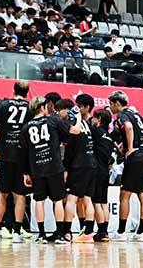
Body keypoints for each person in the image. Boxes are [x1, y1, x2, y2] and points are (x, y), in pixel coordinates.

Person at [21, 96, 82, 244]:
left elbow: (24, 152)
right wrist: (78, 118)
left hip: (37, 168)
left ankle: (41, 235)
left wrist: (26, 173)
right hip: (54, 167)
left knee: (39, 201)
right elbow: (75, 131)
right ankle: (60, 234)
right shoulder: (53, 121)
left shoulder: (26, 127)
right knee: (58, 200)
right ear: (42, 107)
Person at [0, 81, 31, 243]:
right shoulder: (29, 107)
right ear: (27, 93)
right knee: (20, 195)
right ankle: (17, 231)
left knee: (2, 193)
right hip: (22, 155)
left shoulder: (3, 104)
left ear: (14, 90)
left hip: (4, 154)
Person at [107, 90, 143, 241]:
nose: (110, 107)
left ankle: (120, 233)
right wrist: (125, 144)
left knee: (125, 195)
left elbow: (128, 127)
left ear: (117, 103)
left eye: (111, 104)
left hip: (136, 157)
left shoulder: (122, 115)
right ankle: (141, 233)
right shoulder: (137, 114)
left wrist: (131, 147)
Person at [65, 94, 99, 243]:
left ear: (87, 108)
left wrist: (66, 167)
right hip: (91, 164)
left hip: (80, 165)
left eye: (79, 105)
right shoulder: (88, 125)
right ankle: (88, 233)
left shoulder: (76, 122)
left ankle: (66, 232)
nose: (76, 108)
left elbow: (69, 146)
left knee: (72, 198)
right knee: (87, 199)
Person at [90, 108, 114, 242]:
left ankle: (101, 231)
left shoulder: (96, 131)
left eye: (94, 117)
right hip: (106, 171)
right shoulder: (109, 136)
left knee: (96, 203)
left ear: (99, 119)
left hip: (97, 171)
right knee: (104, 202)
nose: (92, 120)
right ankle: (105, 231)